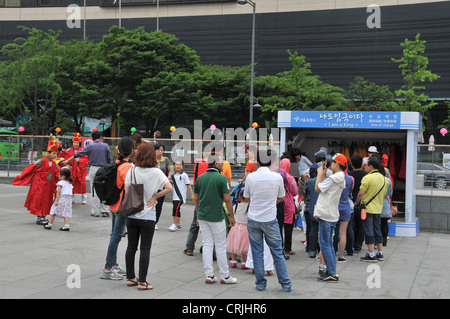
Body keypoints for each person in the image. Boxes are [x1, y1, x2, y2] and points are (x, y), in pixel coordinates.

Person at [124, 142, 172, 290]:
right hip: (148, 215)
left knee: (131, 247)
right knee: (145, 249)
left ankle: (131, 277)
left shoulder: (132, 170)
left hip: (132, 215)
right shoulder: (156, 172)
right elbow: (169, 188)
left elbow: (127, 192)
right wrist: (155, 197)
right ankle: (142, 282)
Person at [243, 150, 292, 292]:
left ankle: (260, 284)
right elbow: (281, 197)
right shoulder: (277, 177)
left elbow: (246, 198)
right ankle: (285, 284)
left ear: (257, 162)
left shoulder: (251, 177)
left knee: (257, 251)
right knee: (277, 251)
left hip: (253, 219)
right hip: (270, 219)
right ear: (271, 162)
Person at [194, 154, 237, 285]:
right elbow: (228, 199)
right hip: (216, 216)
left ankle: (209, 275)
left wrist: (197, 213)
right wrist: (232, 216)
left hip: (202, 215)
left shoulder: (200, 178)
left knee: (207, 245)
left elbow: (195, 198)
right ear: (216, 164)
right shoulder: (221, 178)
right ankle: (225, 275)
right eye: (221, 162)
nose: (223, 164)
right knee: (220, 246)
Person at [100, 136, 134, 280]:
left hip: (113, 204)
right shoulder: (128, 167)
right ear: (132, 151)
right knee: (116, 236)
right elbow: (130, 188)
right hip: (122, 206)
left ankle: (113, 264)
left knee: (115, 235)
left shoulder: (117, 163)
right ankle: (108, 268)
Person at [314, 153, 347, 282]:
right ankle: (330, 270)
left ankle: (332, 272)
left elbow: (317, 187)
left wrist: (319, 173)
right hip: (331, 215)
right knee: (328, 244)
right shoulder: (340, 177)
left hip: (326, 215)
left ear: (337, 164)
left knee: (325, 244)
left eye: (332, 162)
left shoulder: (334, 178)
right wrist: (323, 172)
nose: (330, 164)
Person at [13, 135, 60, 225]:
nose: (55, 155)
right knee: (39, 201)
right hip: (40, 185)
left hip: (48, 186)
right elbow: (30, 168)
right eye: (53, 153)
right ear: (48, 153)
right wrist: (22, 176)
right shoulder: (41, 161)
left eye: (56, 153)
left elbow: (58, 174)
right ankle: (39, 218)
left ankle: (44, 216)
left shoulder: (55, 164)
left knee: (47, 201)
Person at [63, 130, 112, 217]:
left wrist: (67, 160)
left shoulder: (90, 146)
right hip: (104, 169)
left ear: (92, 139)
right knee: (104, 189)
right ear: (100, 137)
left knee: (94, 190)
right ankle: (104, 210)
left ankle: (95, 211)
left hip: (93, 168)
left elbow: (77, 154)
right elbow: (109, 159)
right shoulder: (105, 146)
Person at [356, 155, 389, 262]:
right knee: (377, 230)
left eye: (366, 165)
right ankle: (380, 253)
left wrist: (356, 203)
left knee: (368, 230)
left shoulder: (367, 178)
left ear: (371, 166)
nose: (365, 167)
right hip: (378, 209)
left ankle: (371, 254)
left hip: (367, 209)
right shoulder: (385, 180)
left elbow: (361, 193)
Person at [278, 158, 299, 256]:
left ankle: (279, 246)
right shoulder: (291, 178)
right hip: (289, 204)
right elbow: (295, 192)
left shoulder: (276, 176)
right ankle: (288, 248)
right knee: (288, 227)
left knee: (278, 226)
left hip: (279, 203)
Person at [226, 188, 250, 270]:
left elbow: (232, 215)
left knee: (234, 245)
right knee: (245, 247)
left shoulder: (235, 206)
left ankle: (233, 261)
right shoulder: (249, 207)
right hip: (246, 228)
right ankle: (244, 263)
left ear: (239, 196)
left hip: (235, 228)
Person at [61, 133, 89, 204]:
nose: (75, 144)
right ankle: (71, 197)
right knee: (71, 183)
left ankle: (84, 198)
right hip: (72, 170)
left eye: (77, 143)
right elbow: (66, 158)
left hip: (80, 170)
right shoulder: (69, 150)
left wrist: (79, 160)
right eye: (74, 143)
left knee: (82, 184)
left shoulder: (83, 150)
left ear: (79, 143)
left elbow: (86, 160)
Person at [333, 168, 354, 263]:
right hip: (345, 206)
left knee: (329, 232)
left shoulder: (333, 178)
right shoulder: (349, 179)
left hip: (334, 206)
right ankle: (341, 256)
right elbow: (349, 192)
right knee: (343, 233)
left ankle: (328, 254)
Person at [348, 154, 367, 252]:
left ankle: (350, 244)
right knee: (361, 224)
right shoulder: (365, 175)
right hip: (362, 204)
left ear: (351, 163)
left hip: (350, 203)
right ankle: (358, 245)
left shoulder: (349, 175)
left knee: (350, 225)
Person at [169, 160, 194, 232]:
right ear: (174, 166)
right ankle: (178, 224)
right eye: (177, 164)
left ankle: (174, 224)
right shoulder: (173, 176)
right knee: (177, 209)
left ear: (182, 166)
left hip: (180, 197)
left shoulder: (184, 175)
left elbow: (188, 185)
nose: (178, 166)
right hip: (174, 196)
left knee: (175, 209)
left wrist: (192, 195)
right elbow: (170, 185)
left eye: (180, 165)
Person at [154, 143, 172, 230]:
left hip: (162, 186)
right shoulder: (151, 160)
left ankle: (155, 222)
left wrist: (168, 176)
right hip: (153, 185)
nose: (160, 152)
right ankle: (151, 220)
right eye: (158, 150)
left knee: (159, 204)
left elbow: (169, 171)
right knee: (151, 203)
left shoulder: (165, 159)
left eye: (162, 150)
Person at [380, 177, 393, 246]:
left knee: (376, 224)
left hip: (377, 204)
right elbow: (390, 193)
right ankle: (384, 241)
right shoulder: (388, 180)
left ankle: (377, 241)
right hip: (385, 204)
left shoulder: (376, 179)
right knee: (384, 223)